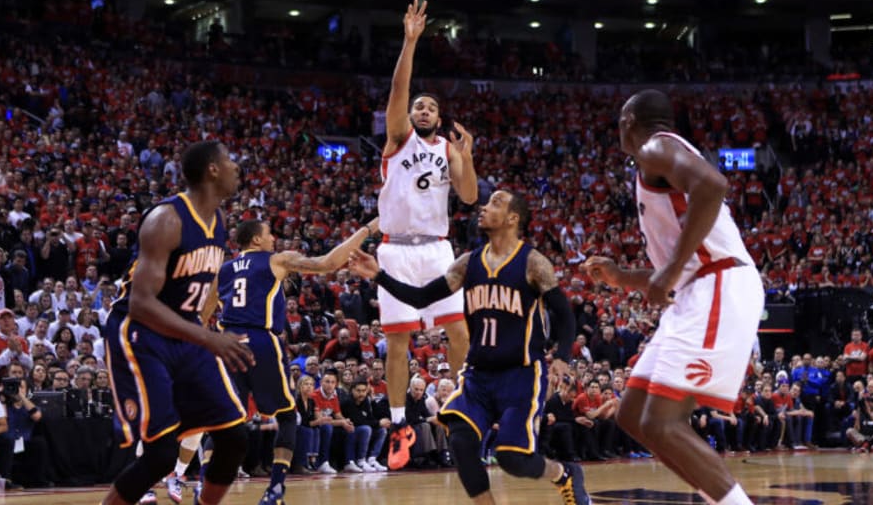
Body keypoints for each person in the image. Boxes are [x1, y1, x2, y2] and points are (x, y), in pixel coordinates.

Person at [350, 189, 589, 504]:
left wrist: (561, 355)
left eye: (495, 204)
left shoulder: (532, 262)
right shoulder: (468, 263)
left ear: (513, 218)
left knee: (512, 459)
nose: (484, 207)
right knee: (460, 439)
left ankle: (564, 474)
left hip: (521, 374)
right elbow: (421, 298)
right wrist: (379, 275)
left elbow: (563, 314)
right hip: (478, 374)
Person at [584, 90, 763, 505]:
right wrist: (623, 275)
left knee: (663, 422)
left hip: (720, 284)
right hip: (697, 286)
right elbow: (676, 271)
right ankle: (721, 497)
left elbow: (713, 184)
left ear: (628, 121)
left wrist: (666, 271)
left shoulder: (656, 146)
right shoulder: (656, 161)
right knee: (634, 415)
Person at [102, 141, 255, 505]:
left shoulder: (218, 221)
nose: (237, 167)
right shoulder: (166, 220)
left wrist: (209, 333)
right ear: (212, 170)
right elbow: (141, 303)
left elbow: (204, 283)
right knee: (160, 456)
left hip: (184, 330)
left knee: (235, 437)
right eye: (230, 160)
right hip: (140, 332)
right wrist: (209, 338)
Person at [376, 0, 478, 469]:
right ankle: (399, 423)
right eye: (418, 105)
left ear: (440, 117)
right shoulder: (399, 140)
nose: (421, 109)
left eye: (430, 106)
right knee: (399, 342)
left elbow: (471, 197)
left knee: (458, 332)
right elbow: (399, 89)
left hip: (438, 250)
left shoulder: (449, 150)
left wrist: (469, 155)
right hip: (396, 251)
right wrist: (410, 41)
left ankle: (460, 408)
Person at [215, 217, 378, 504]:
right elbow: (327, 263)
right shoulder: (275, 260)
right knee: (288, 416)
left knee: (226, 419)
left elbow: (203, 315)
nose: (273, 238)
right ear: (255, 240)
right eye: (268, 233)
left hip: (226, 343)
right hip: (260, 341)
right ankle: (275, 489)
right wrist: (367, 230)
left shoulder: (224, 270)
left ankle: (205, 482)